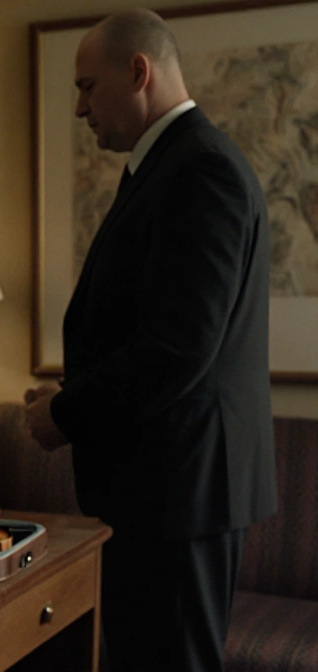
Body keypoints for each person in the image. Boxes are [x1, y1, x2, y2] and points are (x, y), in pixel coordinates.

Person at [24, 9, 276, 672]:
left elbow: (178, 348)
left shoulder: (201, 171)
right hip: (164, 493)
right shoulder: (172, 165)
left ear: (138, 72)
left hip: (180, 497)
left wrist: (63, 413)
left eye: (85, 87)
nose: (80, 109)